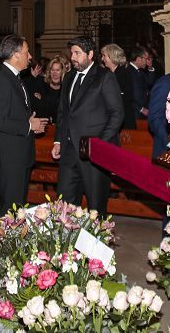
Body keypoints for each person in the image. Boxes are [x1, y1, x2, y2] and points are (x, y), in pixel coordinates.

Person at [52, 36, 124, 216]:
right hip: (69, 151)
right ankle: (68, 242)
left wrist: (99, 144)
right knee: (65, 206)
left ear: (90, 54)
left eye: (77, 53)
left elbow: (117, 113)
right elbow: (63, 113)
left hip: (94, 154)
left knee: (96, 207)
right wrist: (58, 141)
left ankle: (96, 242)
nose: (73, 57)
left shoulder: (104, 77)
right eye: (72, 53)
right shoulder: (68, 77)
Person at [0, 35, 48, 215]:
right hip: (9, 156)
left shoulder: (15, 78)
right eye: (26, 52)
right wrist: (29, 126)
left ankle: (11, 242)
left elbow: (15, 113)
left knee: (17, 208)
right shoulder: (1, 80)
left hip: (19, 154)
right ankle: (1, 242)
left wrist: (31, 122)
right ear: (15, 55)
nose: (30, 57)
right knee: (9, 209)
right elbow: (0, 121)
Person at [100, 43, 135, 129]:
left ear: (112, 57)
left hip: (123, 121)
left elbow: (126, 97)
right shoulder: (106, 73)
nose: (102, 59)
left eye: (104, 56)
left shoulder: (124, 73)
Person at [31, 54, 67, 122]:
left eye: (57, 70)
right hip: (44, 127)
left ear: (62, 71)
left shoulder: (66, 88)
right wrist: (33, 79)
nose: (54, 73)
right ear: (49, 71)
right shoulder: (42, 84)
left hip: (61, 127)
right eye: (52, 70)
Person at [126, 46, 152, 119]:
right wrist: (141, 109)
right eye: (146, 59)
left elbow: (150, 82)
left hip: (143, 111)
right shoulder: (128, 72)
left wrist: (150, 68)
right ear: (138, 59)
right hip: (135, 113)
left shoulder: (140, 71)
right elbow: (126, 95)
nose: (148, 61)